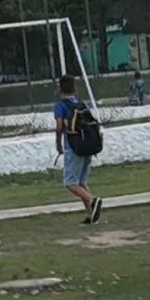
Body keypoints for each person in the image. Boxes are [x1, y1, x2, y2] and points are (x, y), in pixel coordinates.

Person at [54, 75, 103, 224]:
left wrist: (58, 144)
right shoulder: (80, 104)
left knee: (70, 183)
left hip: (73, 146)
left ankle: (92, 200)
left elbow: (59, 126)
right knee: (81, 182)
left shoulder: (60, 105)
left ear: (60, 88)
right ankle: (91, 215)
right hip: (86, 146)